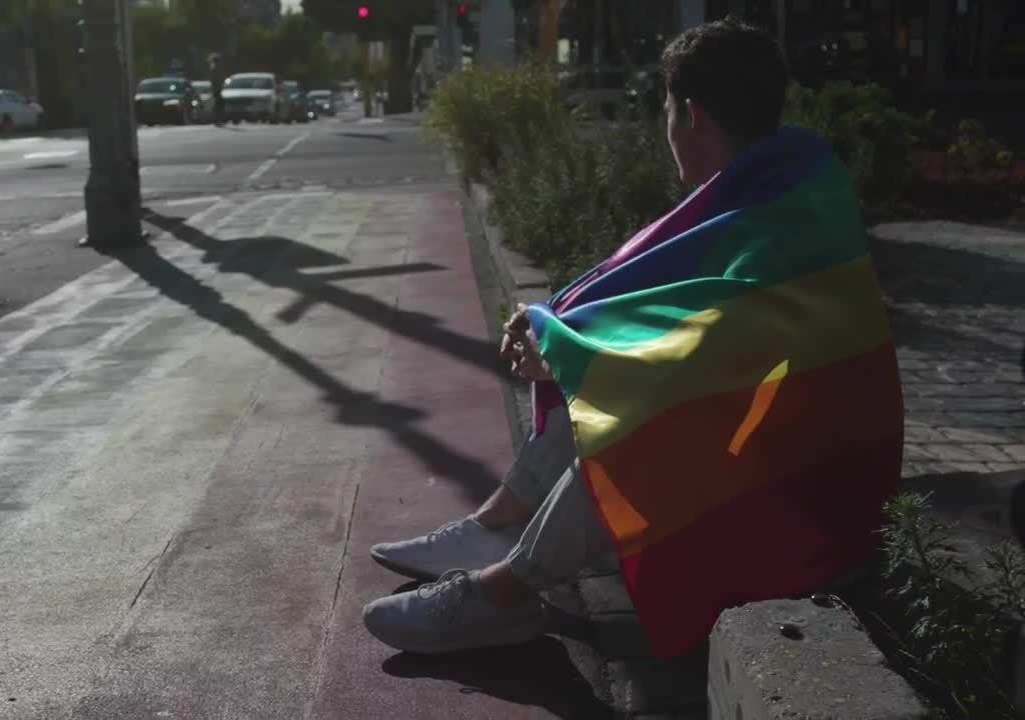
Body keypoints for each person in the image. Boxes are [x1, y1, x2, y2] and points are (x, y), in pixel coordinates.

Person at [362, 17, 904, 658]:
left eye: (667, 110)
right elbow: (664, 310)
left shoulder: (777, 203)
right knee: (611, 380)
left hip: (812, 485)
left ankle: (506, 590)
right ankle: (500, 523)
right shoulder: (788, 178)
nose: (665, 128)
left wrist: (568, 354)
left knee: (646, 422)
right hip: (789, 438)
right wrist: (559, 333)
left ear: (692, 115)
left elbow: (703, 354)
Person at [209, 54, 226, 126]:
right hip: (216, 89)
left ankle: (218, 120)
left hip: (217, 89)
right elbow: (214, 80)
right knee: (219, 105)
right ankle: (217, 120)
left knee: (219, 104)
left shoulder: (215, 68)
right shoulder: (214, 68)